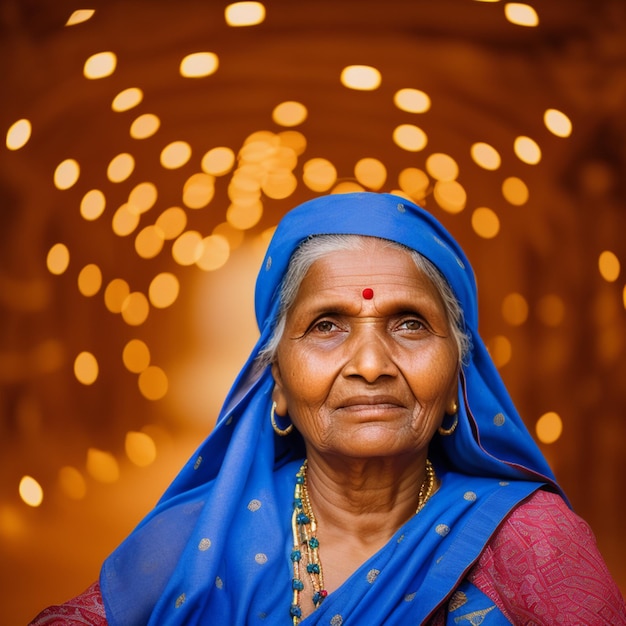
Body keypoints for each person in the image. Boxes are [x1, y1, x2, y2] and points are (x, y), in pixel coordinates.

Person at [31, 192, 625, 625]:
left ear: (457, 384)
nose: (371, 363)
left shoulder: (532, 540)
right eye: (326, 326)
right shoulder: (194, 545)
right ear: (279, 385)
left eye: (411, 324)